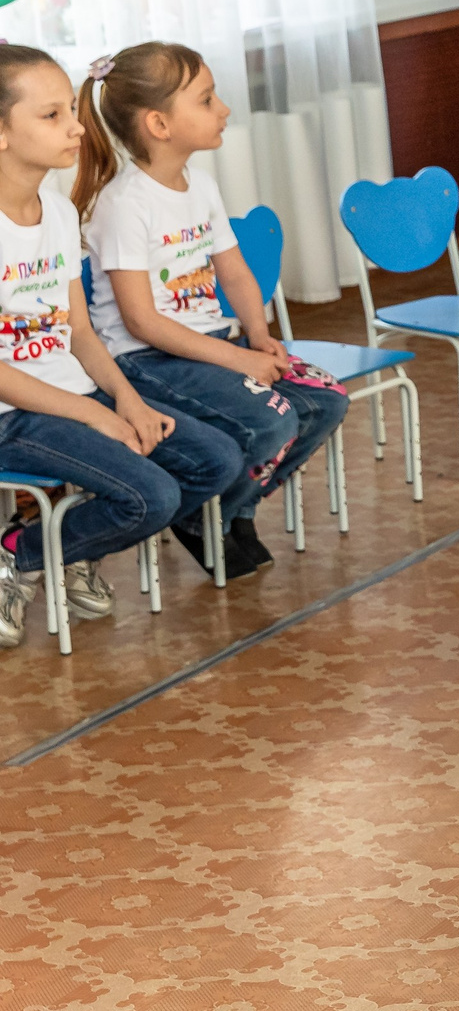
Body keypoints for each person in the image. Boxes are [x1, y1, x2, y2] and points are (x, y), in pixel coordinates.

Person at [74, 42, 349, 577]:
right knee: (272, 423)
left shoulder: (200, 186)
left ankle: (227, 510)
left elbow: (235, 271)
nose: (223, 109)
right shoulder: (124, 203)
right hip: (147, 359)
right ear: (159, 123)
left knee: (326, 402)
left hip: (211, 346)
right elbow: (142, 322)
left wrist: (257, 335)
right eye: (206, 99)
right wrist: (239, 362)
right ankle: (206, 516)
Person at [0, 47, 242, 645]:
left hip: (73, 396)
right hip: (13, 412)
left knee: (216, 458)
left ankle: (70, 545)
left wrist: (126, 401)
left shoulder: (57, 213)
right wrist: (93, 414)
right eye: (52, 116)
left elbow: (80, 333)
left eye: (72, 112)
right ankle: (18, 553)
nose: (78, 127)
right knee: (152, 495)